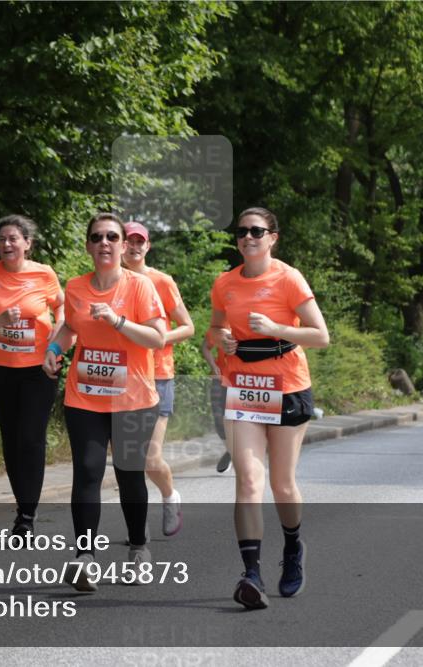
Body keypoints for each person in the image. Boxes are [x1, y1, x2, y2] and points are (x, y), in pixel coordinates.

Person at [209, 206, 329, 610]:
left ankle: (293, 546)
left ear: (272, 237)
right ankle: (252, 574)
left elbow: (320, 335)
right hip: (243, 385)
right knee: (247, 480)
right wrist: (223, 338)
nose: (248, 237)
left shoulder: (289, 278)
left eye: (257, 231)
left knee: (282, 484)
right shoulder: (225, 283)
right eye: (242, 231)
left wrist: (277, 329)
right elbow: (214, 327)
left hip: (288, 386)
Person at [43, 212, 166, 592]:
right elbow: (70, 327)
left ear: (123, 244)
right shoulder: (76, 286)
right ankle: (85, 558)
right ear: (88, 246)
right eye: (97, 237)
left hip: (133, 398)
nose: (105, 244)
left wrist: (117, 321)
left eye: (112, 237)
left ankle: (139, 549)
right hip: (86, 395)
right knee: (88, 470)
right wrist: (53, 348)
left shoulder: (140, 286)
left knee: (129, 477)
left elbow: (158, 338)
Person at [0, 215, 64, 540]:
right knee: (11, 441)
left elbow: (62, 310)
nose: (6, 244)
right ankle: (22, 509)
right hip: (1, 371)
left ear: (27, 243)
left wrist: (58, 339)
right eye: (1, 240)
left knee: (30, 438)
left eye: (13, 239)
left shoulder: (44, 273)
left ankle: (27, 516)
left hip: (38, 370)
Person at [121, 221, 195, 536]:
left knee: (151, 457)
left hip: (158, 377)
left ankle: (169, 496)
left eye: (140, 241)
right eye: (128, 240)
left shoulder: (161, 281)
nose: (134, 246)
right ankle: (138, 527)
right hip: (120, 378)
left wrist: (160, 339)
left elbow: (188, 326)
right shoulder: (110, 281)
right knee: (128, 460)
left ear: (148, 246)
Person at [201, 331, 233, 474]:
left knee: (238, 420)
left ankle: (237, 453)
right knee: (218, 417)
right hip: (220, 378)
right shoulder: (220, 326)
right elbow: (205, 347)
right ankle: (231, 450)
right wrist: (213, 365)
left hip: (241, 379)